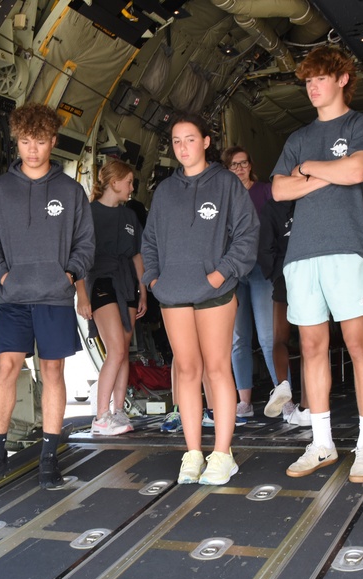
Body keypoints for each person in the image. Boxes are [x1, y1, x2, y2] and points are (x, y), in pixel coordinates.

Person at [0, 103, 95, 489]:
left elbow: (86, 243)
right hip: (13, 297)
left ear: (53, 142)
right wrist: (4, 275)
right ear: (16, 142)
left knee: (53, 370)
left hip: (55, 297)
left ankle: (49, 457)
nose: (32, 149)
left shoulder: (71, 192)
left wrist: (68, 275)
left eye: (40, 141)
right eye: (25, 141)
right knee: (6, 367)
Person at [271, 46, 363, 483]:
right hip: (302, 256)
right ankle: (321, 442)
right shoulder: (296, 136)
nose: (312, 87)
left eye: (320, 78)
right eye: (307, 81)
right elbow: (278, 190)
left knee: (359, 346)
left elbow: (357, 171)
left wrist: (308, 171)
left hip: (347, 249)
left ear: (341, 79)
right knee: (312, 349)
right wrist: (327, 173)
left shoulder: (361, 124)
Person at [141, 112, 259, 485]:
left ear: (206, 142)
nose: (183, 147)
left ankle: (222, 455)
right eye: (176, 141)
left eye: (190, 139)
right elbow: (150, 241)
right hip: (173, 294)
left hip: (215, 293)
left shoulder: (225, 183)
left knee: (216, 369)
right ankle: (193, 454)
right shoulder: (164, 190)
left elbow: (247, 233)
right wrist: (154, 279)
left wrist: (221, 273)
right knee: (187, 370)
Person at [75, 159, 147, 435]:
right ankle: (101, 415)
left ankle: (118, 411)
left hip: (127, 282)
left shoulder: (129, 216)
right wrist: (82, 295)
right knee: (115, 349)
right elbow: (78, 257)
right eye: (128, 181)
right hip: (102, 281)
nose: (131, 187)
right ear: (114, 182)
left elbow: (137, 254)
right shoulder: (89, 213)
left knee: (123, 352)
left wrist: (142, 290)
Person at [222, 146, 281, 420]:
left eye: (243, 163)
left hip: (260, 268)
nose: (240, 168)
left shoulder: (265, 190)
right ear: (227, 169)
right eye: (234, 165)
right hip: (234, 272)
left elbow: (280, 225)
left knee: (268, 337)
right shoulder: (223, 198)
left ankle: (285, 398)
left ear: (250, 165)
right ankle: (244, 402)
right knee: (238, 339)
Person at [256, 195, 310, 426]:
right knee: (311, 344)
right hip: (310, 271)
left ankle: (282, 383)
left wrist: (274, 273)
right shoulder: (311, 200)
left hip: (285, 273)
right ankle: (308, 408)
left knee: (280, 338)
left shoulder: (271, 207)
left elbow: (264, 246)